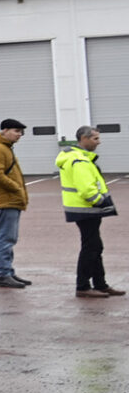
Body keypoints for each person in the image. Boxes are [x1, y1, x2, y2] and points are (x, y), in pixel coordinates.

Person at [57, 126, 121, 299]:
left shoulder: (78, 157)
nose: (98, 142)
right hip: (85, 208)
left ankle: (100, 284)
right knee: (91, 247)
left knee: (95, 246)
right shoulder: (79, 160)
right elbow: (86, 189)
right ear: (83, 139)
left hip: (83, 209)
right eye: (95, 139)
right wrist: (101, 201)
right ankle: (83, 286)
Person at [0, 118, 30, 289]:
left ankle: (8, 272)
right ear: (5, 130)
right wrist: (16, 188)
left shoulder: (5, 147)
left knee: (10, 238)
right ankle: (3, 274)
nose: (19, 135)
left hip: (11, 200)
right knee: (6, 238)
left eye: (21, 132)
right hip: (6, 200)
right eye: (16, 131)